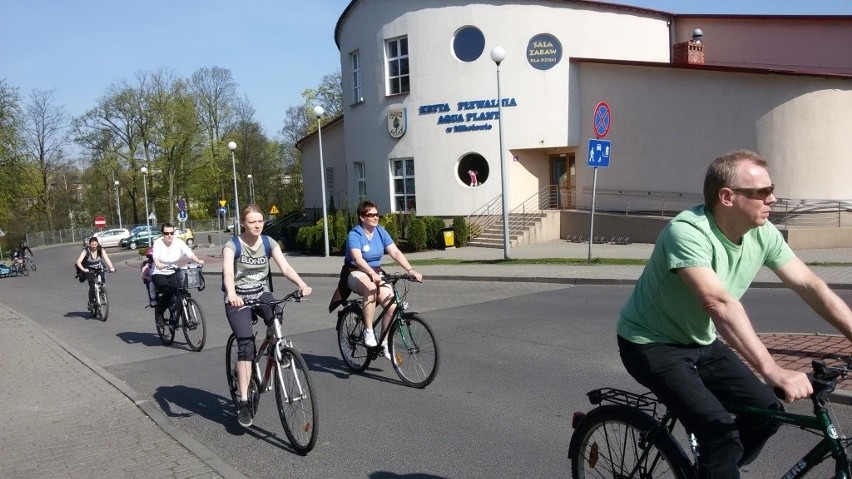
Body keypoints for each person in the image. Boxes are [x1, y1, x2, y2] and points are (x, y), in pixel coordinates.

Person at [616, 149, 852, 478]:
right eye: (763, 192)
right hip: (651, 344)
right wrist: (773, 371)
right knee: (720, 431)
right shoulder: (686, 232)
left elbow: (811, 286)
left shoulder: (763, 233)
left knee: (765, 413)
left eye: (772, 189)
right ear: (727, 196)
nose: (773, 198)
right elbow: (718, 303)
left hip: (701, 339)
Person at [223, 204, 312, 428]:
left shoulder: (268, 243)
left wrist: (301, 283)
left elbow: (285, 267)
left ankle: (276, 347)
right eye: (252, 222)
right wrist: (232, 293)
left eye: (260, 221)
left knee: (277, 312)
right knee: (245, 345)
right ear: (243, 223)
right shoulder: (232, 245)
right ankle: (244, 401)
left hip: (261, 293)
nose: (257, 225)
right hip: (239, 299)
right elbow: (227, 274)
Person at [331, 200, 423, 360]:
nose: (375, 217)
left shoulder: (381, 232)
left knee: (392, 306)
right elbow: (357, 259)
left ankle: (384, 343)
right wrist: (370, 273)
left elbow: (395, 252)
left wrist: (410, 270)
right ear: (362, 217)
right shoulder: (355, 234)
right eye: (370, 215)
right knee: (371, 289)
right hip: (355, 271)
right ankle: (368, 331)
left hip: (375, 271)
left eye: (376, 214)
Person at [151, 222, 204, 327]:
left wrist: (197, 260)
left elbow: (189, 252)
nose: (169, 235)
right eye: (166, 233)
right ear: (162, 234)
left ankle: (186, 318)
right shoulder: (158, 243)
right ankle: (159, 312)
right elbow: (156, 256)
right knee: (168, 290)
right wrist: (158, 264)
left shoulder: (178, 242)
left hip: (174, 271)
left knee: (182, 291)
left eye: (172, 233)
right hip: (159, 272)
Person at [75, 236, 116, 311]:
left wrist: (111, 267)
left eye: (95, 244)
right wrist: (83, 269)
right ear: (89, 244)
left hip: (99, 267)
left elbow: (106, 258)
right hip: (89, 269)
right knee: (92, 285)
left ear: (98, 244)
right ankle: (91, 302)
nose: (94, 246)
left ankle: (102, 293)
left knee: (102, 283)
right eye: (92, 245)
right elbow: (78, 262)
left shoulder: (101, 249)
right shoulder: (86, 250)